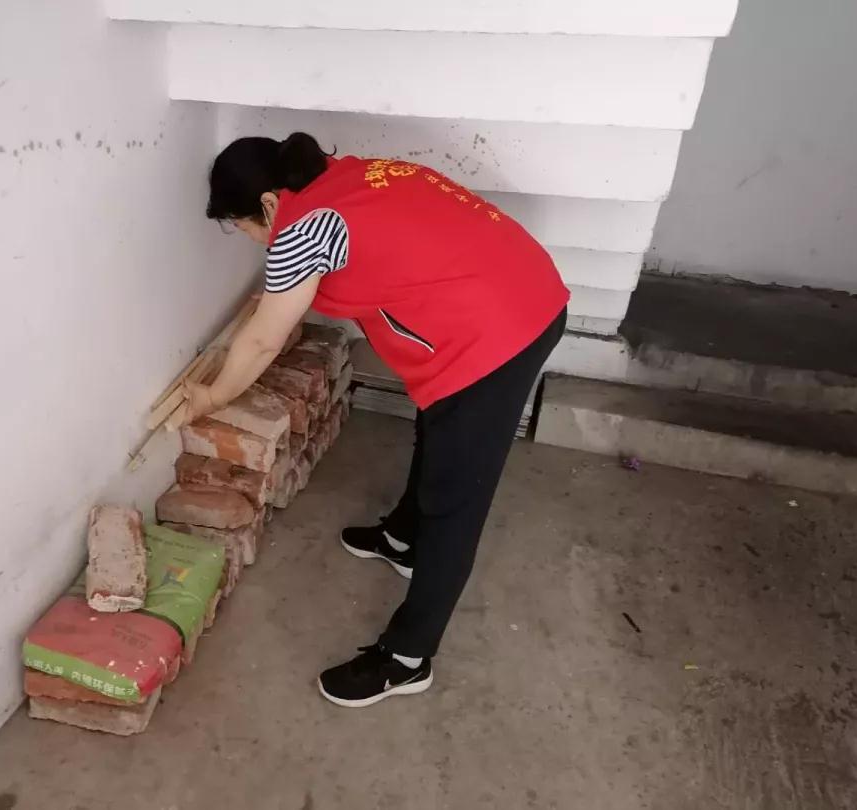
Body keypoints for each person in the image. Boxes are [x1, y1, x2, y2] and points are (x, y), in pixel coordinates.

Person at [181, 132, 569, 708]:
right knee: (438, 423)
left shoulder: (302, 230)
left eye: (244, 227)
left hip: (503, 333)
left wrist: (211, 397)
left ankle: (408, 658)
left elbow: (263, 340)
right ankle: (403, 538)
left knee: (456, 501)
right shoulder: (347, 175)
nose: (254, 240)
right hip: (519, 286)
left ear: (267, 202)